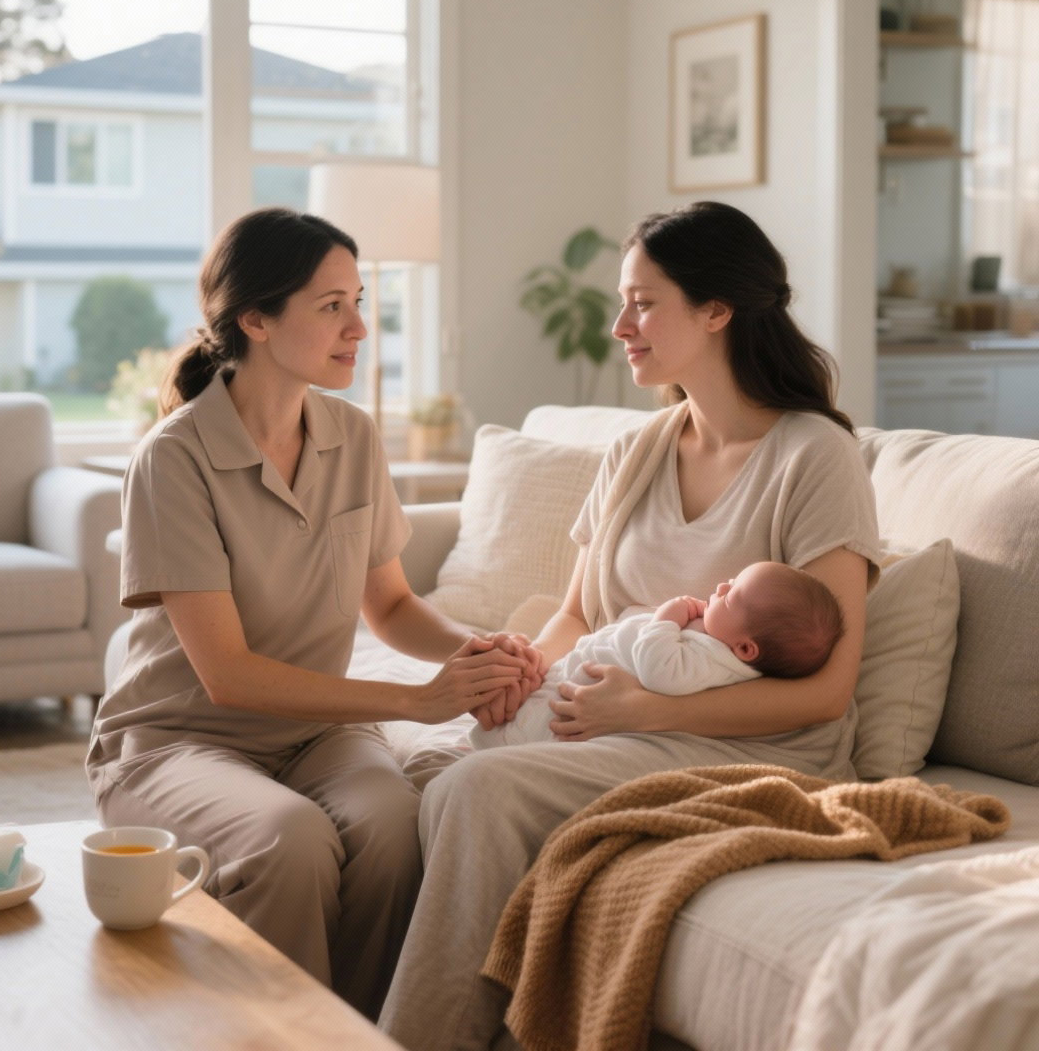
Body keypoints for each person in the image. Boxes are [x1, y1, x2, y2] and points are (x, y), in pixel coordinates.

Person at [379, 200, 881, 1051]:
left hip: (749, 744)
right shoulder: (636, 450)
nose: (621, 326)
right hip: (612, 721)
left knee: (473, 788)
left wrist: (645, 712)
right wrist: (524, 676)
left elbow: (828, 694)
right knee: (415, 773)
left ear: (716, 310)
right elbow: (578, 613)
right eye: (624, 302)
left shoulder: (813, 456)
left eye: (644, 303)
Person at [85, 207, 537, 1022]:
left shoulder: (352, 435)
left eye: (359, 301)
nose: (360, 327)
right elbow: (227, 677)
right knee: (288, 841)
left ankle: (361, 1031)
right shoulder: (174, 459)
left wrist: (481, 650)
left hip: (313, 735)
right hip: (177, 740)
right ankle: (271, 1036)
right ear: (255, 319)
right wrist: (415, 700)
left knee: (397, 826)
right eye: (331, 305)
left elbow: (393, 607)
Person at [470, 561, 845, 750]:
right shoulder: (720, 642)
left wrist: (667, 618)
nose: (722, 585)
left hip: (588, 700)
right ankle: (490, 738)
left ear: (746, 648)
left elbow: (659, 671)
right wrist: (531, 661)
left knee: (536, 723)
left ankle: (495, 745)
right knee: (528, 703)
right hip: (581, 665)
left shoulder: (718, 662)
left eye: (732, 595)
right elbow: (578, 616)